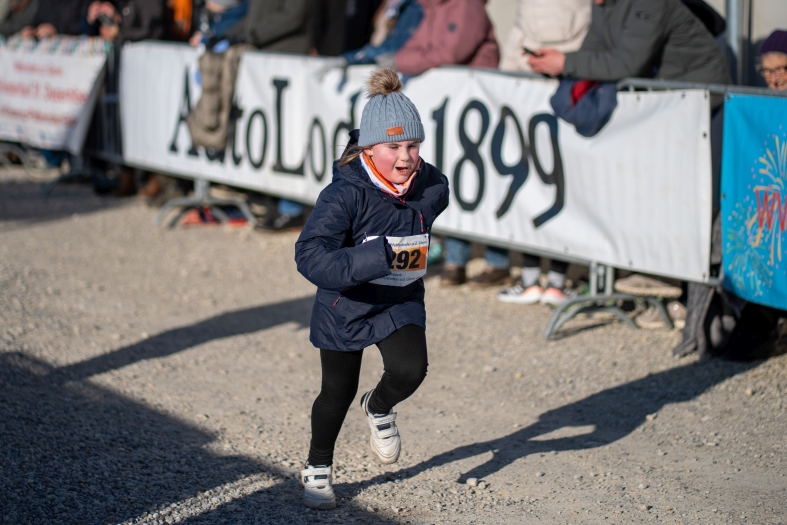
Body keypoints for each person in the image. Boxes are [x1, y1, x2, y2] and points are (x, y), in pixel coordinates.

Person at [294, 68, 449, 510]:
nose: (405, 157)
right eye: (393, 147)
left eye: (413, 146)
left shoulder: (432, 185)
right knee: (336, 393)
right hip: (346, 303)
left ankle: (378, 407)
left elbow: (433, 203)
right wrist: (375, 256)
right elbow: (309, 255)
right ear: (368, 149)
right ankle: (318, 467)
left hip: (399, 300)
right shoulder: (344, 194)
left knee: (411, 370)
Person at [494, 0, 592, 305]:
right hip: (570, 97)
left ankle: (530, 278)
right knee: (564, 190)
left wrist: (504, 85)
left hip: (528, 97)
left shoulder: (530, 7)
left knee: (529, 186)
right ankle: (557, 282)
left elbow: (514, 49)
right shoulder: (585, 9)